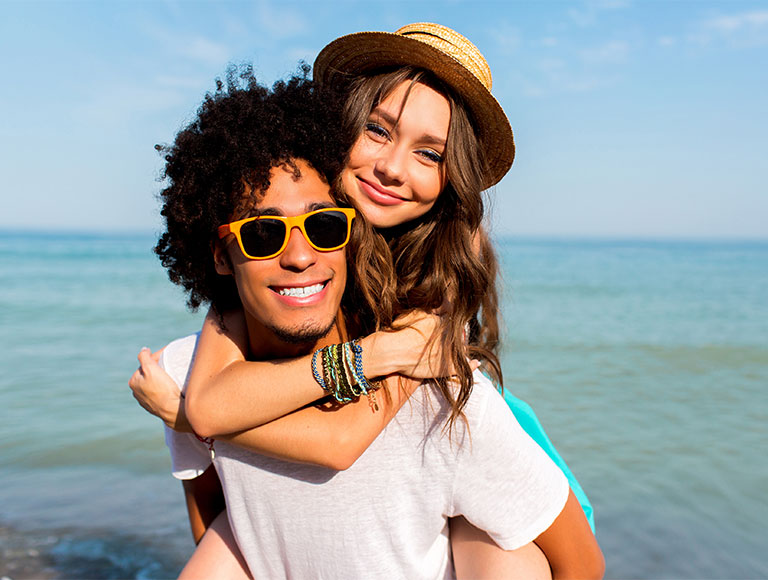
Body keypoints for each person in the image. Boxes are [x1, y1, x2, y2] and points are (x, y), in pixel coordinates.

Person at [131, 23, 603, 578]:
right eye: (379, 131)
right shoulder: (286, 253)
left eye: (429, 153)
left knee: (500, 555)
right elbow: (216, 414)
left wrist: (189, 416)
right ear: (343, 124)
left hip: (507, 473)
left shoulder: (432, 289)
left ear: (452, 178)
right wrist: (197, 412)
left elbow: (339, 441)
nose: (392, 168)